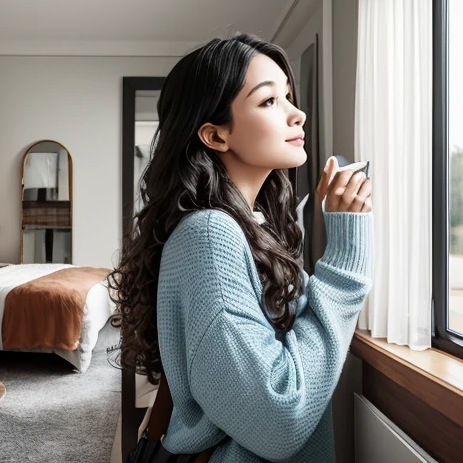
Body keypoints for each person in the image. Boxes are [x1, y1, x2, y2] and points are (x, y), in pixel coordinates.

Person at [111, 33, 372, 462]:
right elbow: (279, 420)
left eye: (288, 96)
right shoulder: (210, 236)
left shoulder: (249, 226)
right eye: (269, 101)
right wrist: (345, 259)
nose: (297, 114)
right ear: (215, 136)